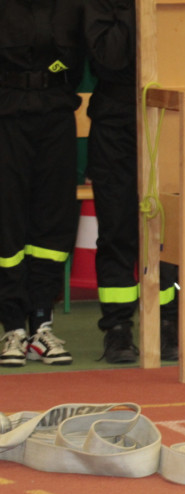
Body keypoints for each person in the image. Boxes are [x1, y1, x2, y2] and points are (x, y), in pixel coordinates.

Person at [85, 0, 182, 364]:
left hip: (170, 116)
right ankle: (117, 327)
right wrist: (138, 8)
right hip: (115, 120)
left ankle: (169, 321)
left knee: (170, 225)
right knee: (117, 228)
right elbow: (109, 58)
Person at [0, 0, 85, 368]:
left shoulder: (73, 4)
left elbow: (79, 61)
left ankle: (41, 324)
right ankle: (13, 327)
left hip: (56, 115)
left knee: (53, 222)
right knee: (8, 222)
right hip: (6, 114)